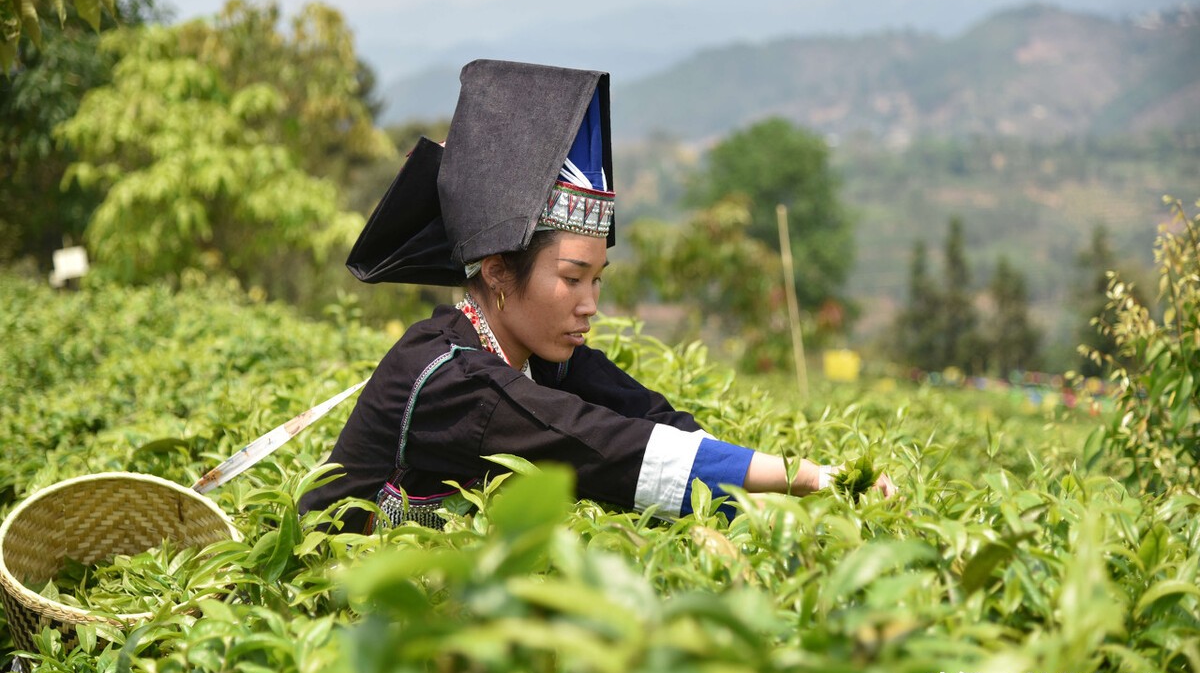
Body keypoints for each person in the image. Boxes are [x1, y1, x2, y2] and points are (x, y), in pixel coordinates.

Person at [299, 59, 895, 533]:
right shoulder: (449, 378)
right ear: (501, 272)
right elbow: (605, 448)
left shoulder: (544, 363)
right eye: (571, 277)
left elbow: (656, 426)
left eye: (597, 279)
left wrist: (804, 496)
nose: (589, 304)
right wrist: (806, 480)